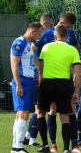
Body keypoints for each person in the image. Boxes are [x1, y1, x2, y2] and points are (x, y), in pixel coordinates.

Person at [32, 12, 81, 153]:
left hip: (47, 83)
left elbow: (41, 70)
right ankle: (66, 148)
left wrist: (41, 85)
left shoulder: (46, 48)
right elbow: (78, 73)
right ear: (67, 37)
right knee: (65, 115)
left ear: (55, 36)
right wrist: (77, 91)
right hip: (64, 84)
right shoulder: (72, 50)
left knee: (41, 112)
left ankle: (46, 145)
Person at [10, 22, 44, 153]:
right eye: (39, 34)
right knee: (23, 113)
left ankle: (15, 147)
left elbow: (35, 62)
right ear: (32, 31)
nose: (39, 37)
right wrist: (18, 84)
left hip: (29, 81)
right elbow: (14, 64)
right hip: (22, 81)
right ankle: (17, 148)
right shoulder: (19, 43)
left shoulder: (29, 45)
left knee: (21, 114)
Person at [23, 13, 54, 148]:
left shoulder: (39, 39)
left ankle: (29, 136)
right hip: (40, 75)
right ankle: (31, 137)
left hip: (40, 74)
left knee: (39, 109)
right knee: (40, 110)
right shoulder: (44, 37)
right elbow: (31, 50)